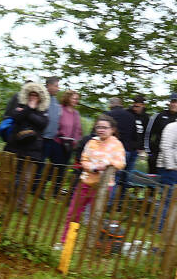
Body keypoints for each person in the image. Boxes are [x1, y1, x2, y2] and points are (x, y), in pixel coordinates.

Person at [59, 115, 126, 244]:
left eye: (104, 127)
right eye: (98, 127)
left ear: (112, 129)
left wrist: (107, 164)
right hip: (86, 182)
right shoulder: (91, 142)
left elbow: (121, 163)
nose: (101, 130)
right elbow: (84, 159)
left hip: (104, 186)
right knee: (73, 213)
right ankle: (66, 242)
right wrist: (93, 167)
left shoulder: (117, 145)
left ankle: (91, 244)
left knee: (96, 216)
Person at [4, 81, 49, 211]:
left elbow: (42, 124)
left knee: (26, 178)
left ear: (40, 97)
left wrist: (28, 112)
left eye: (36, 96)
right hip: (16, 146)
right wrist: (28, 108)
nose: (33, 98)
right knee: (13, 175)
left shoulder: (43, 112)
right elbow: (16, 118)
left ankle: (21, 203)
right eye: (31, 95)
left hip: (33, 150)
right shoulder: (20, 106)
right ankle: (7, 198)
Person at [52, 90, 83, 196]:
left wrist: (76, 142)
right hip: (58, 142)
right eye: (74, 98)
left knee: (63, 168)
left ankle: (56, 190)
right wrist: (59, 134)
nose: (76, 100)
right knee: (55, 166)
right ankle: (41, 186)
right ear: (68, 98)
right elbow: (55, 124)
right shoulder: (60, 109)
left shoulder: (76, 113)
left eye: (77, 99)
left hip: (69, 145)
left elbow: (78, 130)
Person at [144, 93, 177, 174]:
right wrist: (149, 151)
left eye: (176, 102)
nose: (174, 104)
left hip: (173, 158)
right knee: (153, 179)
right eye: (173, 102)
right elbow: (148, 133)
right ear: (169, 103)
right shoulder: (158, 116)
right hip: (156, 154)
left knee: (169, 179)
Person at [156, 120, 177, 231]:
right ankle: (161, 227)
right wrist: (170, 166)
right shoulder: (172, 127)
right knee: (168, 199)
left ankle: (170, 227)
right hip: (169, 169)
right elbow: (165, 147)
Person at [129, 95, 149, 167]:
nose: (135, 109)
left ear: (143, 105)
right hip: (127, 146)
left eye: (137, 106)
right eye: (134, 106)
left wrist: (142, 148)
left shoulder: (146, 117)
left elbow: (146, 133)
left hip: (137, 148)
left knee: (131, 169)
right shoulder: (128, 113)